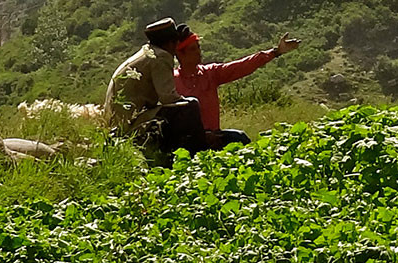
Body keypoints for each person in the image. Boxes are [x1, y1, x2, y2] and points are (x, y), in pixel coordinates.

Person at [104, 17, 207, 162]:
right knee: (191, 106)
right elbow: (168, 97)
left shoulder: (147, 53)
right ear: (171, 43)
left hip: (119, 121)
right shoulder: (161, 56)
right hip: (129, 124)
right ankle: (200, 153)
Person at [173, 31, 299, 147]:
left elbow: (241, 66)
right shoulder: (172, 80)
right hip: (188, 140)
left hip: (215, 136)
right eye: (193, 49)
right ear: (180, 54)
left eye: (198, 47)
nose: (199, 52)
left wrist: (275, 52)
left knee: (241, 139)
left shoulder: (210, 73)